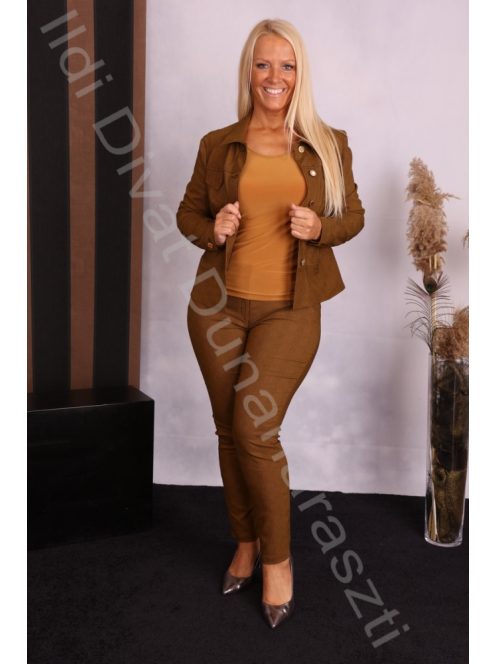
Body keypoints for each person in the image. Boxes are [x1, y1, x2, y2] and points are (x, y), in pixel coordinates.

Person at [176, 18, 365, 629]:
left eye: (286, 65)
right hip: (217, 309)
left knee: (255, 430)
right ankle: (246, 543)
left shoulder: (327, 143)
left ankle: (278, 560)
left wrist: (321, 226)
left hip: (290, 308)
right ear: (249, 71)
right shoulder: (218, 144)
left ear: (299, 73)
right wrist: (213, 229)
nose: (274, 77)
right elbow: (187, 213)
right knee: (229, 431)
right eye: (263, 64)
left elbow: (353, 215)